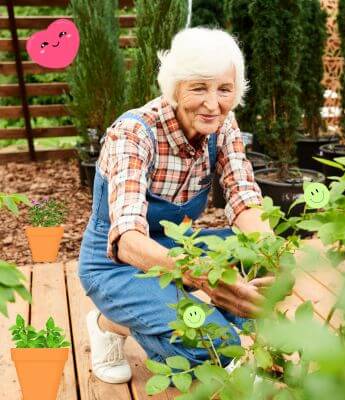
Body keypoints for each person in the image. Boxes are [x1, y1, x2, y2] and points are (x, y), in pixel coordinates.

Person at [78, 27, 273, 384]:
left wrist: (273, 254)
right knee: (216, 340)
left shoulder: (222, 123)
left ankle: (124, 317)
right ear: (175, 86)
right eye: (199, 87)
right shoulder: (135, 133)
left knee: (254, 250)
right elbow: (128, 241)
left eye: (224, 89)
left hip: (176, 250)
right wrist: (207, 281)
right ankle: (117, 320)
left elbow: (244, 196)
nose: (213, 104)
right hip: (114, 264)